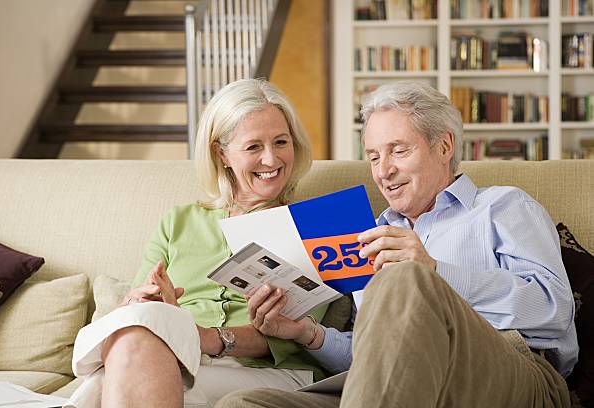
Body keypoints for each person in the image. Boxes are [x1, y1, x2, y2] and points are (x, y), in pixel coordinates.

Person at [216, 81, 578, 408]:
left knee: (406, 280)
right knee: (244, 404)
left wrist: (433, 272)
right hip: (401, 383)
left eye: (398, 151)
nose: (383, 171)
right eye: (374, 156)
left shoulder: (503, 206)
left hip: (515, 373)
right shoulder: (372, 233)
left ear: (444, 146)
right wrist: (303, 332)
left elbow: (554, 310)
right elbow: (370, 357)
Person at [70, 79, 330, 408]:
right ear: (221, 153)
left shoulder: (313, 226)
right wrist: (143, 302)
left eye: (281, 142)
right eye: (253, 147)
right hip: (172, 355)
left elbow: (298, 337)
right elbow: (136, 312)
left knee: (109, 385)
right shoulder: (178, 222)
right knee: (131, 344)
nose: (271, 159)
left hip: (269, 371)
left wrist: (208, 338)